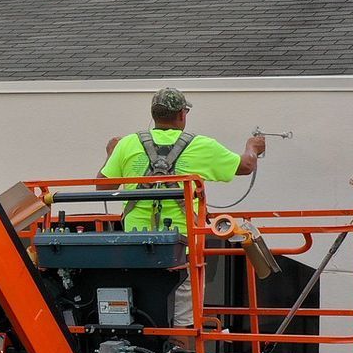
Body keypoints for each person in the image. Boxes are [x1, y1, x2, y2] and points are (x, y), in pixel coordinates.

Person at [100, 87, 266, 327]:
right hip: (181, 248)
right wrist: (253, 147)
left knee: (138, 313)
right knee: (183, 320)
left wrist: (110, 153)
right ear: (181, 114)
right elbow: (245, 166)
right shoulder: (200, 145)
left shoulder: (127, 144)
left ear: (154, 114)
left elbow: (102, 185)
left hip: (134, 246)